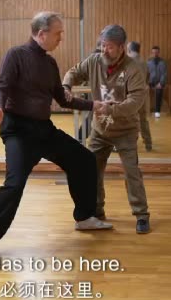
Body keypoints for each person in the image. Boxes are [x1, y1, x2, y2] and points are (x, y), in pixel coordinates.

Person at [0, 12, 113, 262]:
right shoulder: (16, 55)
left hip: (43, 129)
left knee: (84, 159)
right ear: (42, 34)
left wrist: (92, 105)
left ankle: (84, 217)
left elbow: (62, 99)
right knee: (14, 184)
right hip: (18, 131)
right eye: (58, 33)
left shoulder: (49, 63)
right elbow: (1, 87)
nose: (61, 38)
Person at [63, 25, 152, 234]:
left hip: (125, 130)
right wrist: (66, 86)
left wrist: (110, 109)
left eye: (109, 47)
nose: (104, 50)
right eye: (102, 45)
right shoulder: (94, 61)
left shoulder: (133, 69)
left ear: (121, 48)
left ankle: (141, 214)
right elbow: (74, 72)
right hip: (100, 130)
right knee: (92, 171)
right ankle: (96, 210)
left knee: (132, 173)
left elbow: (135, 101)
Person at [127, 41, 152, 151]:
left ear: (129, 49)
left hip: (131, 95)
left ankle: (129, 144)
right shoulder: (144, 62)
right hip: (142, 95)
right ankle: (148, 143)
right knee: (143, 119)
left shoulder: (127, 61)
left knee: (127, 120)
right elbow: (147, 78)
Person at [147, 46, 167, 118]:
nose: (155, 54)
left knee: (158, 92)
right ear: (152, 53)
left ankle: (157, 111)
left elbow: (164, 74)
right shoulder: (148, 62)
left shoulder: (162, 62)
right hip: (150, 82)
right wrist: (146, 83)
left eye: (156, 52)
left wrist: (161, 83)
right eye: (153, 52)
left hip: (159, 82)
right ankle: (145, 111)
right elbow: (146, 73)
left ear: (159, 53)